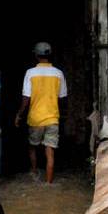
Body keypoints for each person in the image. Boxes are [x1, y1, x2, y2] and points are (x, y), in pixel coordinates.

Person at [15, 42, 68, 184]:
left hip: (35, 119)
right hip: (52, 119)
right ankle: (49, 184)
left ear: (36, 55)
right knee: (50, 151)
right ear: (50, 55)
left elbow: (26, 98)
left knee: (32, 146)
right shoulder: (58, 73)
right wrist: (61, 114)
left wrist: (19, 115)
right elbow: (62, 98)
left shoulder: (30, 73)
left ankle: (33, 171)